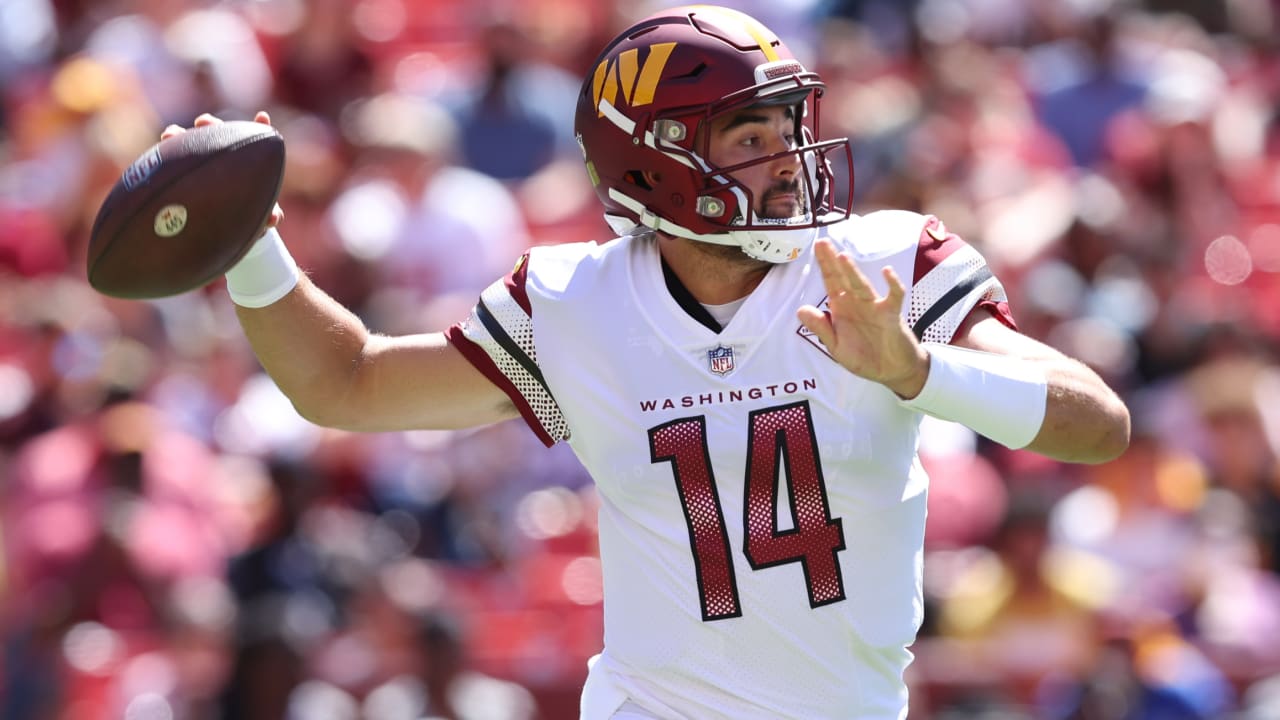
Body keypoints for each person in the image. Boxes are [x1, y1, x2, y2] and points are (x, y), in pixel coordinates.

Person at [162, 5, 1130, 718]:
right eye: (751, 137)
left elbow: (1095, 422)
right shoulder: (577, 303)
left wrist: (917, 370)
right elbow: (348, 383)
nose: (788, 159)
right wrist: (251, 244)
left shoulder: (878, 266)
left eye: (785, 127)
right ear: (656, 162)